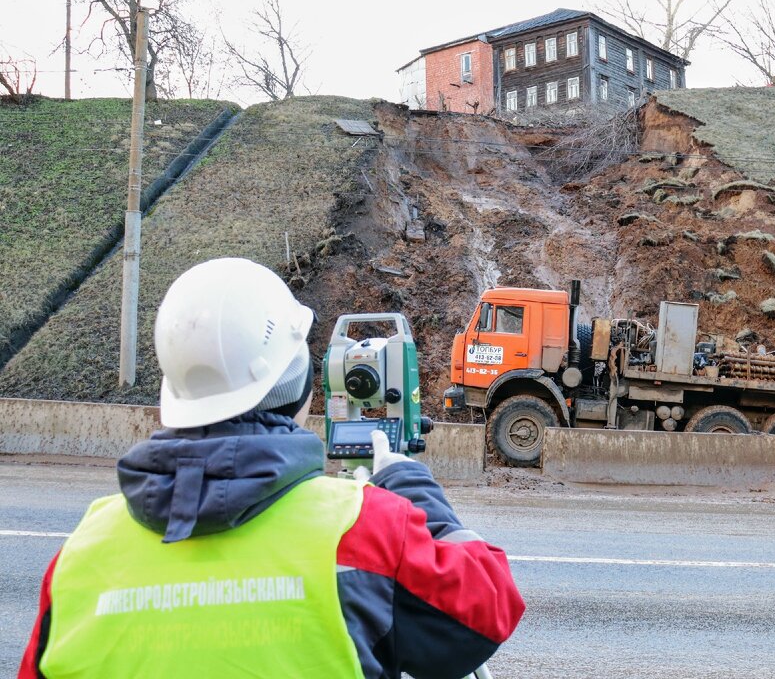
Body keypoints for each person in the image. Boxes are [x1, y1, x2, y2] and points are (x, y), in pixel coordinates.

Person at [20, 258, 524, 679]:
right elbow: (488, 608)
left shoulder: (78, 560)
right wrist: (409, 483)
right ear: (297, 383)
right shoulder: (363, 530)